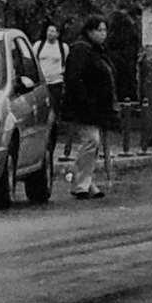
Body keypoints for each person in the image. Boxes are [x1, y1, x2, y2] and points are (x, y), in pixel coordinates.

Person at [57, 20, 117, 198]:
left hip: (96, 108)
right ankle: (80, 184)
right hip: (83, 108)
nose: (103, 34)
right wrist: (86, 100)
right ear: (89, 31)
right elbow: (74, 79)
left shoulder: (98, 51)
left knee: (94, 144)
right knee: (91, 141)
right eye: (99, 30)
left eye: (105, 30)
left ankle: (87, 183)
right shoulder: (81, 50)